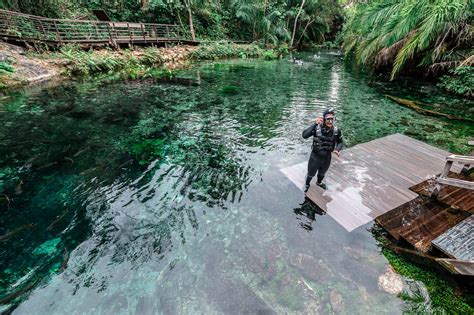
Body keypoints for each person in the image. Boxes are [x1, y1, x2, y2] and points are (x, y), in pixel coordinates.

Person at [302, 108, 343, 192]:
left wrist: (337, 149)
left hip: (327, 158)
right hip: (315, 157)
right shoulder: (317, 128)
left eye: (332, 119)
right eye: (328, 119)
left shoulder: (336, 131)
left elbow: (340, 142)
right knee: (311, 173)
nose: (330, 122)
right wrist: (314, 124)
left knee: (322, 173)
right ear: (324, 119)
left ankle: (319, 183)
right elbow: (304, 135)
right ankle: (307, 184)